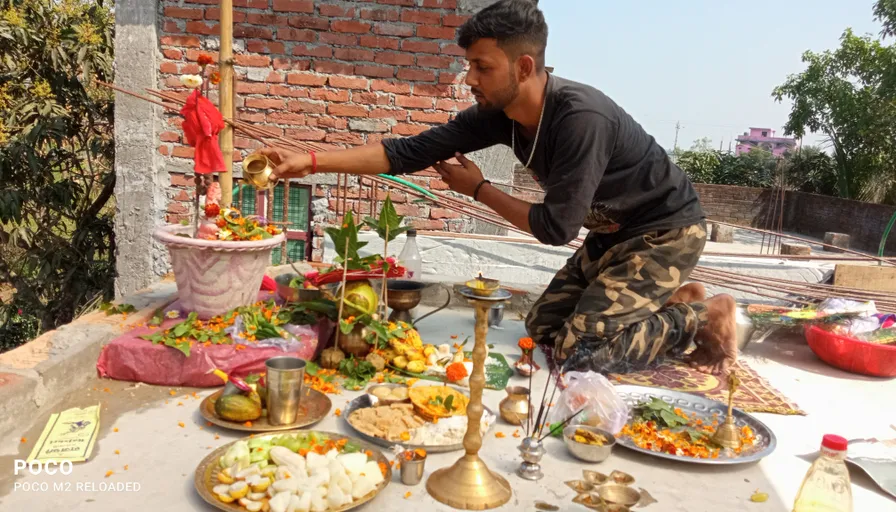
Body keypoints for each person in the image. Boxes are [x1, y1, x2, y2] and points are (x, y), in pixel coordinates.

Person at [260, 0, 737, 375]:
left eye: (482, 67)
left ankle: (701, 314)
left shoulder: (579, 118)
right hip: (613, 232)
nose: (469, 79)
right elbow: (407, 152)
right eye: (469, 65)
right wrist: (312, 161)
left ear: (524, 67)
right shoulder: (498, 115)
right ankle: (665, 300)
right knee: (542, 329)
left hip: (663, 231)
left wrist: (479, 190)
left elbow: (555, 229)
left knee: (582, 351)